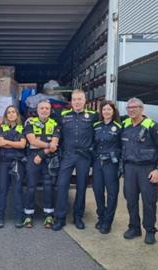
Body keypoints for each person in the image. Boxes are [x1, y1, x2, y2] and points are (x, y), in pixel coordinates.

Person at [121, 97, 158, 245]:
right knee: (131, 200)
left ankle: (150, 231)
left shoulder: (152, 125)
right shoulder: (125, 124)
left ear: (142, 109)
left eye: (135, 107)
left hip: (147, 169)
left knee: (149, 202)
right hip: (129, 168)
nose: (131, 110)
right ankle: (134, 228)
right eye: (129, 108)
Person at [52, 89, 98, 231]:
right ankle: (60, 218)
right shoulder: (62, 115)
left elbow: (99, 135)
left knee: (81, 187)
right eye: (74, 99)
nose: (77, 102)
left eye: (80, 99)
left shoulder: (93, 116)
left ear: (85, 101)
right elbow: (56, 132)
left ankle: (78, 217)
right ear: (71, 101)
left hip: (84, 156)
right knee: (62, 185)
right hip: (68, 155)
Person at [23, 100, 60, 228]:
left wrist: (42, 152)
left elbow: (55, 144)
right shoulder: (30, 122)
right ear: (37, 110)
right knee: (31, 186)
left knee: (48, 187)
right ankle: (28, 215)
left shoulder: (54, 123)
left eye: (47, 108)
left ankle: (49, 215)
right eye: (42, 108)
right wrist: (48, 144)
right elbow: (32, 140)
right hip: (32, 157)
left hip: (47, 157)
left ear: (50, 111)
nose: (44, 110)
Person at [92, 100, 122, 234]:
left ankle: (108, 221)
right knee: (98, 191)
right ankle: (101, 217)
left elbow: (123, 147)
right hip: (98, 163)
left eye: (109, 109)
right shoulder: (96, 126)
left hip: (111, 164)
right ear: (101, 112)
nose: (106, 112)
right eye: (104, 109)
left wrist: (121, 165)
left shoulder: (119, 127)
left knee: (111, 194)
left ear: (113, 111)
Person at [0, 105, 26, 228]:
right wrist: (15, 143)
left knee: (17, 191)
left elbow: (22, 145)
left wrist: (7, 142)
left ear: (17, 115)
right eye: (9, 112)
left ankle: (19, 218)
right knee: (2, 190)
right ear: (6, 115)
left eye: (14, 112)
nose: (12, 114)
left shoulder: (22, 128)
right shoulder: (1, 128)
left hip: (17, 163)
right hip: (3, 163)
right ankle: (0, 218)